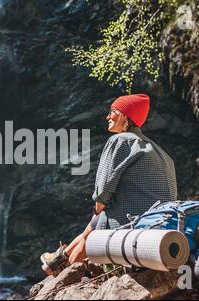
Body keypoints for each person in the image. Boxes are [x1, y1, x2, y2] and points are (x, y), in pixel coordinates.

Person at [41, 94, 177, 276]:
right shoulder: (161, 152)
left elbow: (103, 192)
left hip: (134, 222)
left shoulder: (121, 141)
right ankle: (59, 259)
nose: (107, 117)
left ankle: (65, 275)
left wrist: (98, 211)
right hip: (159, 221)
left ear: (125, 116)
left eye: (113, 111)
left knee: (94, 225)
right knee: (97, 219)